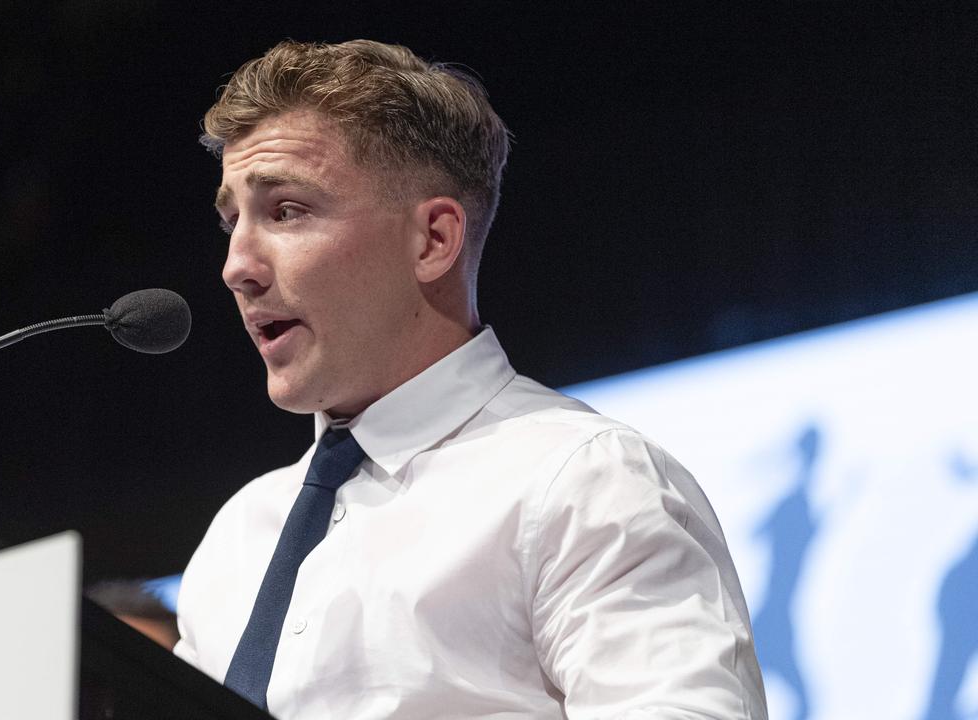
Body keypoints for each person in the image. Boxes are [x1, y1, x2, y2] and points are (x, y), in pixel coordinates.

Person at [175, 39, 767, 719]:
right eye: (231, 221)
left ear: (433, 239)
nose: (236, 265)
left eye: (286, 211)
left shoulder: (582, 482)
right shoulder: (241, 532)